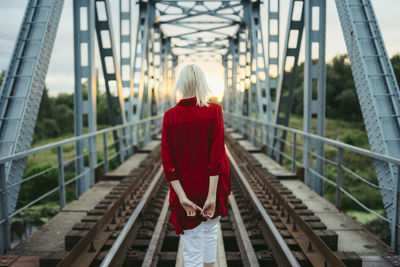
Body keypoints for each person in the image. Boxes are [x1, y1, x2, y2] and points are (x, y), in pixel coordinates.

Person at [161, 64, 231, 267]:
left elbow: (168, 164)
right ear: (203, 83)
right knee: (210, 234)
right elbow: (217, 158)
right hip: (211, 189)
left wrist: (183, 198)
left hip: (186, 192)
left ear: (181, 85)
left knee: (191, 251)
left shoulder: (170, 116)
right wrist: (211, 197)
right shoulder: (214, 111)